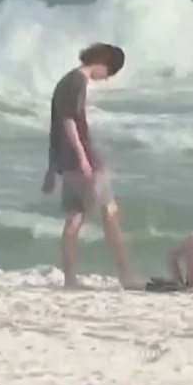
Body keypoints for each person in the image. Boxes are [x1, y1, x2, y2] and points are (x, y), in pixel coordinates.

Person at [42, 42, 138, 288]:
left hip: (69, 159)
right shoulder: (77, 82)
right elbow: (68, 121)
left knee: (77, 215)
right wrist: (83, 157)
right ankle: (125, 275)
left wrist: (53, 166)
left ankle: (71, 278)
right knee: (107, 212)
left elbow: (56, 125)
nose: (105, 79)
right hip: (83, 160)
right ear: (103, 64)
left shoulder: (67, 81)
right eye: (109, 73)